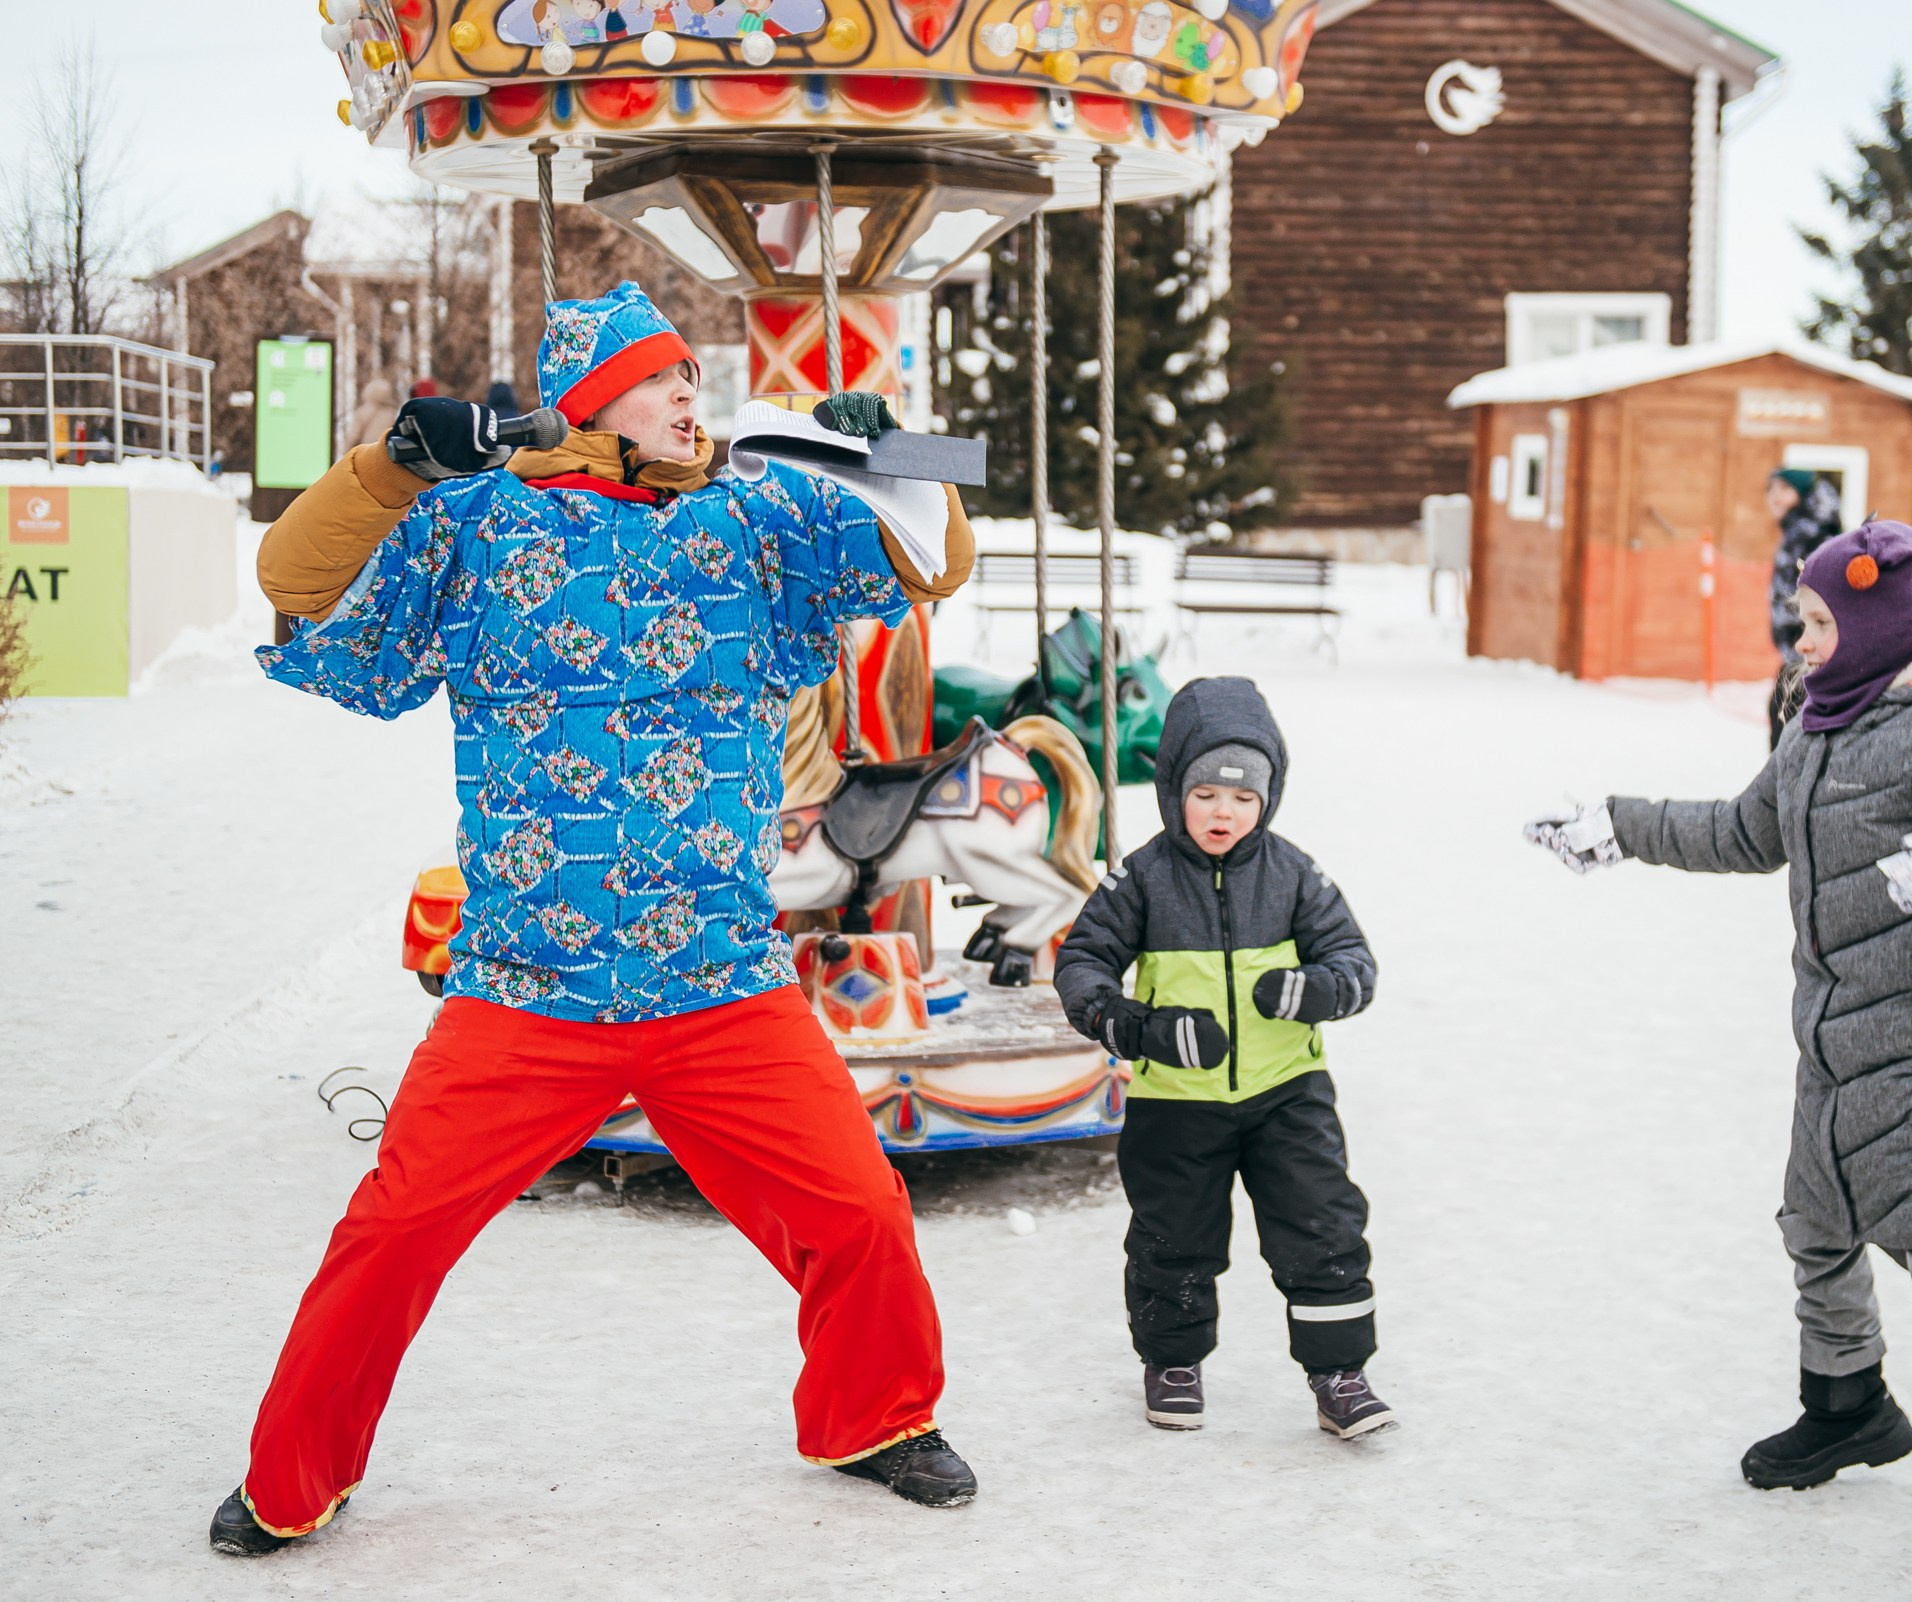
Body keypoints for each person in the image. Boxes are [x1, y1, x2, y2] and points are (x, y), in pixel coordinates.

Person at [212, 281, 982, 1557]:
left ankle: (877, 1417)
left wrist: (888, 451)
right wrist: (390, 471)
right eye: (668, 376)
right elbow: (296, 591)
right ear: (590, 400)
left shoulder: (756, 512)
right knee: (390, 1234)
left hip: (721, 984)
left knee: (858, 1211)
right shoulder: (470, 524)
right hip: (526, 993)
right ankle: (291, 1480)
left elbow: (928, 557)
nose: (696, 396)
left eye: (695, 376)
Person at [1525, 522, 1912, 1602]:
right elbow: (1745, 829)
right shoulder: (1823, 727)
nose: (1803, 638)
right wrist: (1624, 824)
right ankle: (1848, 1404)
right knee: (1814, 1220)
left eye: (1821, 622)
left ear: (1881, 625)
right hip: (1848, 1028)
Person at [1053, 677, 1392, 1439]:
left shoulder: (1296, 874)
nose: (1223, 813)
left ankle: (1340, 1373)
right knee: (1175, 1236)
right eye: (1206, 793)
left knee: (1323, 1226)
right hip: (1176, 1102)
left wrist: (1317, 990)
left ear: (1268, 800)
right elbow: (1082, 967)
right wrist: (1137, 1027)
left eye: (1244, 799)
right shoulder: (1139, 879)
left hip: (1287, 1094)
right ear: (1174, 788)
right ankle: (1172, 1361)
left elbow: (1355, 964)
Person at [1764, 466, 1845, 744]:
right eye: (1771, 490)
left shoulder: (1815, 535)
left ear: (1803, 495)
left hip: (1813, 655)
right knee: (1781, 716)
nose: (1774, 497)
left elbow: (1826, 598)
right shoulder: (1797, 530)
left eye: (1784, 490)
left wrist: (1814, 645)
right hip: (1797, 651)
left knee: (1788, 722)